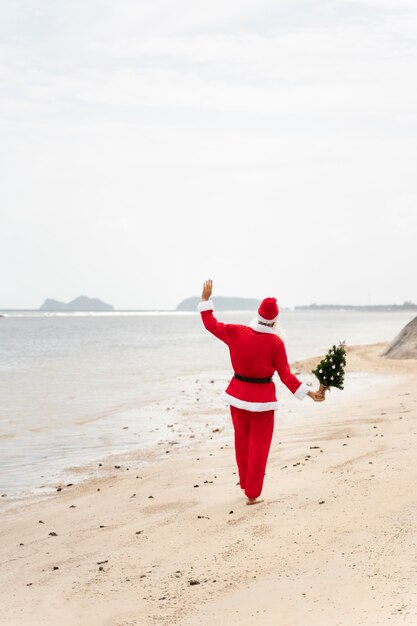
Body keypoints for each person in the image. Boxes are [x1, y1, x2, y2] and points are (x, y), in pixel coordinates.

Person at [198, 279, 325, 506]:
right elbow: (286, 376)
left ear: (257, 315)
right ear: (275, 321)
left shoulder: (236, 332)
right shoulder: (276, 343)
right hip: (263, 401)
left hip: (237, 396)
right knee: (259, 447)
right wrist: (308, 393)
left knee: (241, 444)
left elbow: (211, 324)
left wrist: (205, 301)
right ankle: (252, 494)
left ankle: (246, 484)